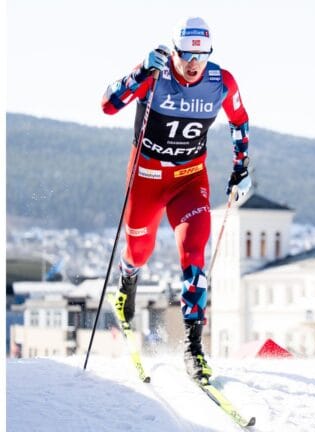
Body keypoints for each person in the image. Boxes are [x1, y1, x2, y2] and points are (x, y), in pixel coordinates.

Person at [101, 17, 251, 383]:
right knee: (139, 250)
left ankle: (194, 348)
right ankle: (126, 284)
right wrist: (138, 72)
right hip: (147, 178)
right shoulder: (155, 76)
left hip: (190, 179)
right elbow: (108, 104)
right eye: (186, 56)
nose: (193, 64)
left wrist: (241, 166)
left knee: (194, 254)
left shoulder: (221, 82)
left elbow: (240, 120)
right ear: (175, 51)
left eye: (200, 56)